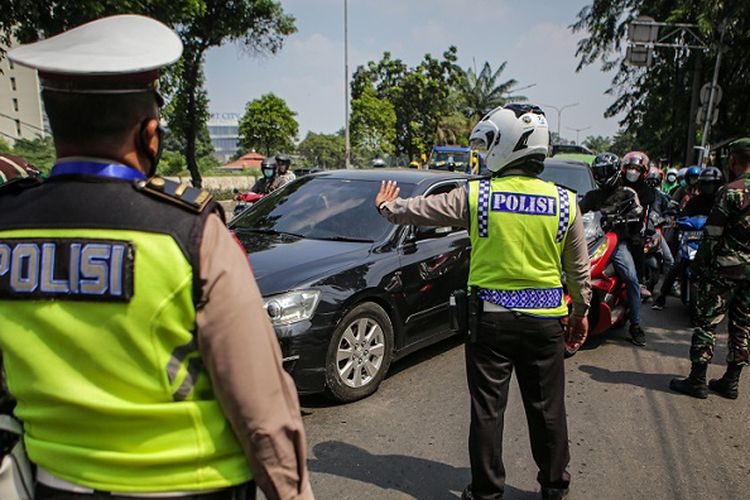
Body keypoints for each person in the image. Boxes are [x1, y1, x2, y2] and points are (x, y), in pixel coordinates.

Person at [0, 15, 312, 500]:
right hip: (193, 485)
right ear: (150, 134)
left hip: (54, 483)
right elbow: (263, 410)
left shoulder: (8, 224)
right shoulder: (191, 233)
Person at [375, 103, 591, 500]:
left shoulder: (479, 195)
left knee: (488, 412)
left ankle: (487, 492)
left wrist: (388, 207)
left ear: (506, 144)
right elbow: (579, 271)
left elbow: (423, 211)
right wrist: (580, 313)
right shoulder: (565, 202)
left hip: (491, 323)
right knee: (548, 410)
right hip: (546, 324)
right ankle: (555, 487)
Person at [670, 139, 750, 399]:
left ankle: (697, 380)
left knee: (707, 323)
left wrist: (699, 264)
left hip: (724, 269)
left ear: (734, 160)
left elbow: (713, 233)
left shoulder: (731, 192)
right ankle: (731, 381)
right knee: (742, 326)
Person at [579, 152, 647, 346]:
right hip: (592, 240)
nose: (601, 176)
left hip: (616, 242)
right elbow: (578, 211)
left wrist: (626, 218)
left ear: (616, 171)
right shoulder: (593, 195)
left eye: (605, 172)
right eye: (598, 172)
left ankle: (635, 325)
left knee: (632, 279)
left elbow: (638, 211)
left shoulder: (627, 193)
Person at [652, 166, 723, 311]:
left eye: (712, 184)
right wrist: (675, 220)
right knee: (677, 264)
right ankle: (661, 297)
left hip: (714, 241)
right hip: (693, 237)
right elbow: (683, 213)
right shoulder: (694, 200)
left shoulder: (721, 201)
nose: (709, 187)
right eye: (706, 184)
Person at [621, 151, 656, 297]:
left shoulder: (646, 190)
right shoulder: (618, 183)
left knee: (638, 248)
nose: (633, 172)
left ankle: (640, 283)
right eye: (631, 168)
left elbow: (645, 209)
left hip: (635, 228)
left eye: (637, 169)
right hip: (615, 226)